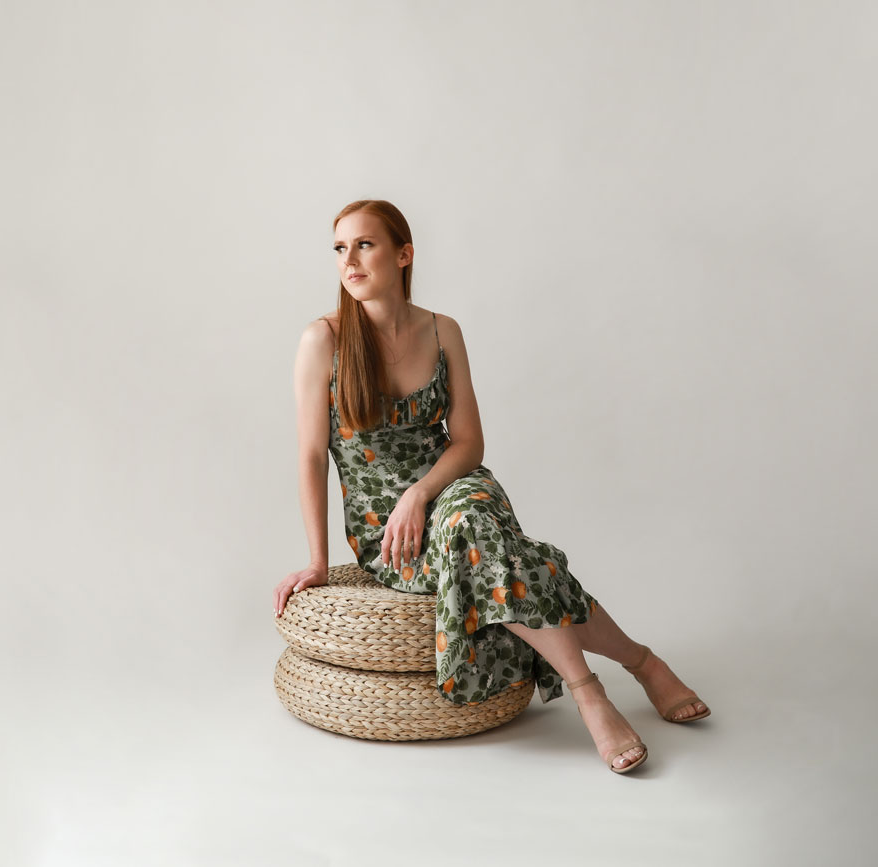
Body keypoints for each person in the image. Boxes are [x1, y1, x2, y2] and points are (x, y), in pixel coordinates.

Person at [272, 199, 711, 774]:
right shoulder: (322, 339)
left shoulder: (442, 329)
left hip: (451, 488)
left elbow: (469, 443)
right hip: (386, 530)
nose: (349, 261)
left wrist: (419, 493)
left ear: (403, 255)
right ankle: (633, 667)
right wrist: (319, 561)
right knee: (514, 559)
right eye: (339, 248)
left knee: (474, 524)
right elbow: (311, 456)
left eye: (365, 245)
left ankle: (591, 692)